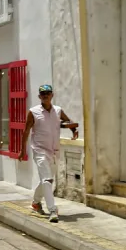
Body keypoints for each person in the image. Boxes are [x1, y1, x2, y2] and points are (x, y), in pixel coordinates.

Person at [19, 84, 78, 223]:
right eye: (43, 93)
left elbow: (67, 121)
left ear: (52, 95)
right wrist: (23, 150)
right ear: (39, 96)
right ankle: (53, 210)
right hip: (39, 149)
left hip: (54, 150)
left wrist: (74, 130)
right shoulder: (33, 112)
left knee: (47, 179)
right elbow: (26, 131)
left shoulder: (57, 110)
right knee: (47, 180)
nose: (45, 95)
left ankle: (36, 202)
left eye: (48, 93)